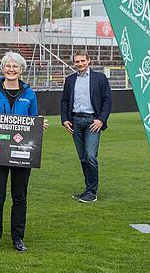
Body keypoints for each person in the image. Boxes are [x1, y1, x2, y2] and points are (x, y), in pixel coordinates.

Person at [0, 52, 47, 253]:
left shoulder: (29, 93)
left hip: (22, 153)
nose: (11, 69)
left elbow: (33, 118)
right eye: (8, 66)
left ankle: (18, 237)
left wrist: (39, 124)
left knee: (20, 197)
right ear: (2, 68)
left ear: (21, 69)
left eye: (15, 66)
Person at [61, 50, 112, 203]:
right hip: (75, 121)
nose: (80, 64)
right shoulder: (70, 80)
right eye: (77, 61)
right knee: (83, 158)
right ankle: (88, 190)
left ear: (88, 61)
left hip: (92, 122)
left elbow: (107, 100)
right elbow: (64, 101)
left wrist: (101, 120)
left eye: (83, 61)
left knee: (90, 156)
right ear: (74, 63)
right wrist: (64, 119)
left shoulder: (100, 78)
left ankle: (92, 192)